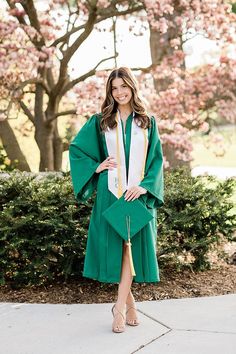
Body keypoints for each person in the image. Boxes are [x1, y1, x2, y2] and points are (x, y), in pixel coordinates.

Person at [69, 67, 164, 333]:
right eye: (114, 88)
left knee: (130, 250)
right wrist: (97, 167)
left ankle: (120, 307)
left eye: (124, 86)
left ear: (132, 87)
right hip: (110, 194)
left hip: (137, 196)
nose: (119, 92)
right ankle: (125, 307)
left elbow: (156, 160)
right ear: (109, 91)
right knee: (121, 250)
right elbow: (77, 150)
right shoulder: (101, 121)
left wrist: (145, 188)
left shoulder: (147, 122)